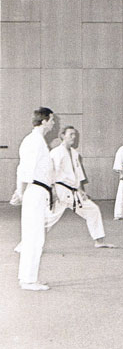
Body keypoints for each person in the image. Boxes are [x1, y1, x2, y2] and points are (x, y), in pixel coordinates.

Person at [45, 126, 114, 248]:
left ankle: (99, 241)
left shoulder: (75, 153)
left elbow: (78, 174)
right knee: (48, 219)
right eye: (71, 134)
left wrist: (81, 190)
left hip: (73, 192)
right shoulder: (56, 153)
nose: (74, 137)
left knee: (93, 210)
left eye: (75, 134)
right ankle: (27, 244)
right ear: (63, 136)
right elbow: (51, 173)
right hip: (61, 190)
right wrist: (53, 191)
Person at [11, 106, 56, 291]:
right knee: (34, 237)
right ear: (44, 121)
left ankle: (27, 278)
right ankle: (28, 281)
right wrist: (20, 191)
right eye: (52, 120)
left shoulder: (37, 141)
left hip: (39, 191)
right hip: (35, 191)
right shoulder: (34, 141)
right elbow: (25, 169)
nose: (53, 123)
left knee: (34, 236)